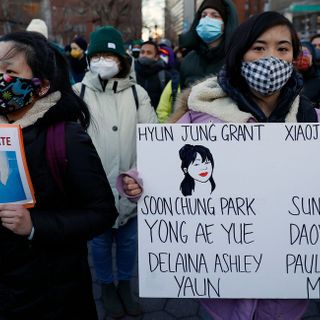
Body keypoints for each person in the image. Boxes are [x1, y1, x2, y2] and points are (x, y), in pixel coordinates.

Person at [121, 11, 318, 319]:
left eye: (282, 48)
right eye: (259, 47)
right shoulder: (203, 115)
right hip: (224, 290)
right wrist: (137, 182)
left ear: (294, 55)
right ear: (239, 54)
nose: (271, 58)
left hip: (284, 297)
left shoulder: (310, 119)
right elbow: (163, 166)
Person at [0, 31, 118, 320]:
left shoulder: (66, 138)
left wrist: (34, 225)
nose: (0, 78)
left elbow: (103, 213)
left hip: (52, 294)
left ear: (40, 87)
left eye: (9, 71)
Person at [73, 26, 158, 319]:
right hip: (93, 192)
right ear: (89, 59)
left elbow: (154, 139)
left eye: (110, 55)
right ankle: (106, 287)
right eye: (98, 55)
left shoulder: (138, 94)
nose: (104, 60)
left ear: (122, 59)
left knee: (128, 242)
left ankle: (124, 285)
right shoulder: (78, 92)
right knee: (98, 242)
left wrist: (139, 176)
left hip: (132, 190)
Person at [156, 0, 238, 123]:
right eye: (203, 15)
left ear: (226, 24)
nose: (207, 20)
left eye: (215, 15)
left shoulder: (236, 59)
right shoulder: (188, 60)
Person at [135, 40, 172, 109]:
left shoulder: (164, 76)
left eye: (149, 53)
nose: (144, 55)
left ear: (156, 57)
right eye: (142, 52)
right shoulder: (131, 73)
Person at [294, 41, 320, 108]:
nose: (302, 57)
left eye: (305, 53)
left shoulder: (318, 80)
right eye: (299, 53)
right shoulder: (290, 79)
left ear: (312, 56)